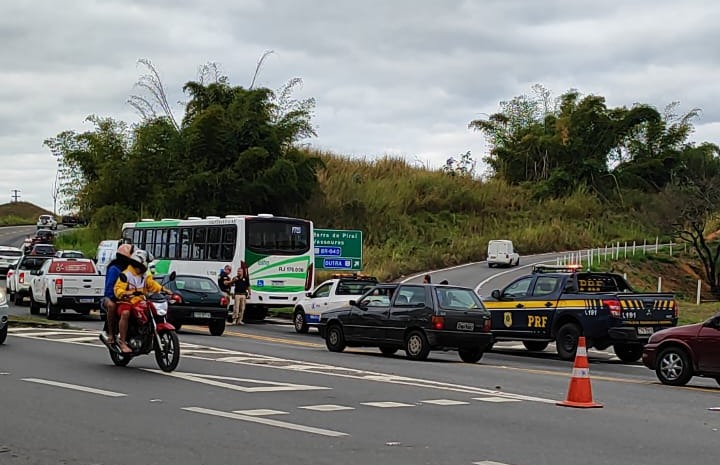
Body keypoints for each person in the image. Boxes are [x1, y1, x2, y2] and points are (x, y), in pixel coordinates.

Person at [113, 249, 168, 354]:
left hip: (141, 301)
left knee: (152, 309)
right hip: (126, 302)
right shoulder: (126, 274)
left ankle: (147, 334)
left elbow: (152, 285)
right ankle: (122, 342)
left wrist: (163, 289)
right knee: (125, 313)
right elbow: (118, 289)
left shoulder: (145, 275)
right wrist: (125, 293)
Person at [102, 243, 134, 346]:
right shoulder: (114, 269)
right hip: (112, 297)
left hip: (129, 296)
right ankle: (111, 334)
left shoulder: (132, 269)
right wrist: (118, 296)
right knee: (112, 306)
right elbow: (109, 288)